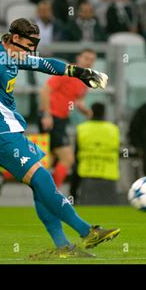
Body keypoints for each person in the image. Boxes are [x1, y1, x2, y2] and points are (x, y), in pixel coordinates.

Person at [0, 18, 119, 258]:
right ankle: (87, 232)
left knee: (41, 184)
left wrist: (80, 72)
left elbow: (44, 64)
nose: (31, 51)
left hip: (6, 133)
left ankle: (63, 247)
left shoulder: (12, 55)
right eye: (28, 45)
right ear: (15, 38)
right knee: (43, 180)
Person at [39, 48, 97, 189]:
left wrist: (85, 111)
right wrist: (47, 114)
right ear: (78, 58)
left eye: (91, 60)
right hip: (52, 117)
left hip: (61, 119)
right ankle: (53, 193)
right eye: (86, 58)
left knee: (48, 159)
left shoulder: (85, 80)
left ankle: (5, 175)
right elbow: (45, 90)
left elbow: (77, 100)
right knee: (67, 158)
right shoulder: (66, 72)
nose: (88, 62)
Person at [75, 102, 121, 205]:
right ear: (104, 113)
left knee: (87, 213)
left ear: (91, 112)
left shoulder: (82, 128)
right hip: (109, 176)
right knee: (109, 212)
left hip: (87, 176)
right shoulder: (113, 129)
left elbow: (76, 155)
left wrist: (73, 188)